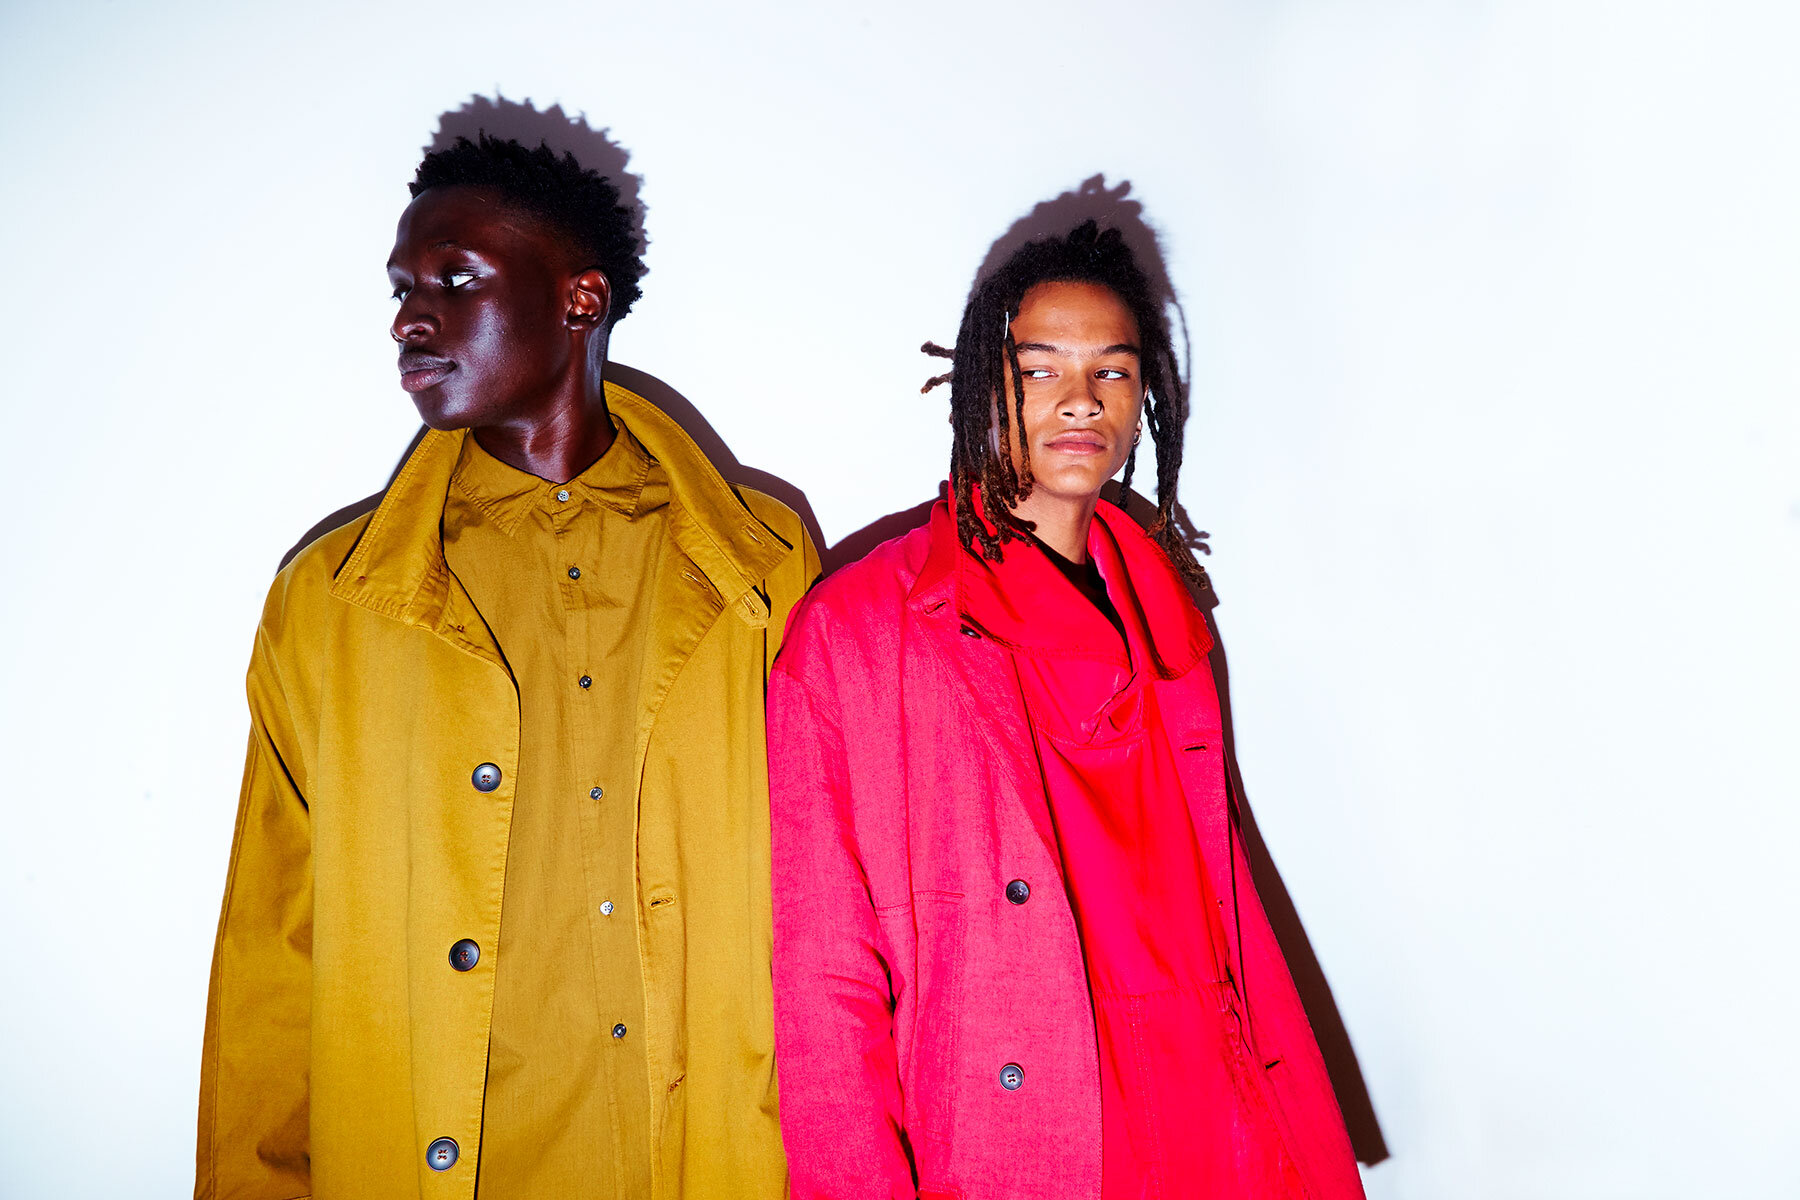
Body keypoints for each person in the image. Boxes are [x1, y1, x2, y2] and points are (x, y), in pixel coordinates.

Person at [196, 133, 815, 1199]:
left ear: (580, 300)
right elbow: (270, 956)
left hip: (706, 1154)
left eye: (454, 279)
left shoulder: (764, 568)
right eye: (401, 290)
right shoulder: (332, 607)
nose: (407, 319)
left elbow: (837, 910)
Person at [768, 221, 1365, 1199]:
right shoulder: (856, 633)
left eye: (1113, 372)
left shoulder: (1171, 615)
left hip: (1212, 1122)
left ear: (1148, 402)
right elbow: (820, 989)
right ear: (977, 387)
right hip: (1022, 1136)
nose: (1081, 399)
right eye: (1040, 368)